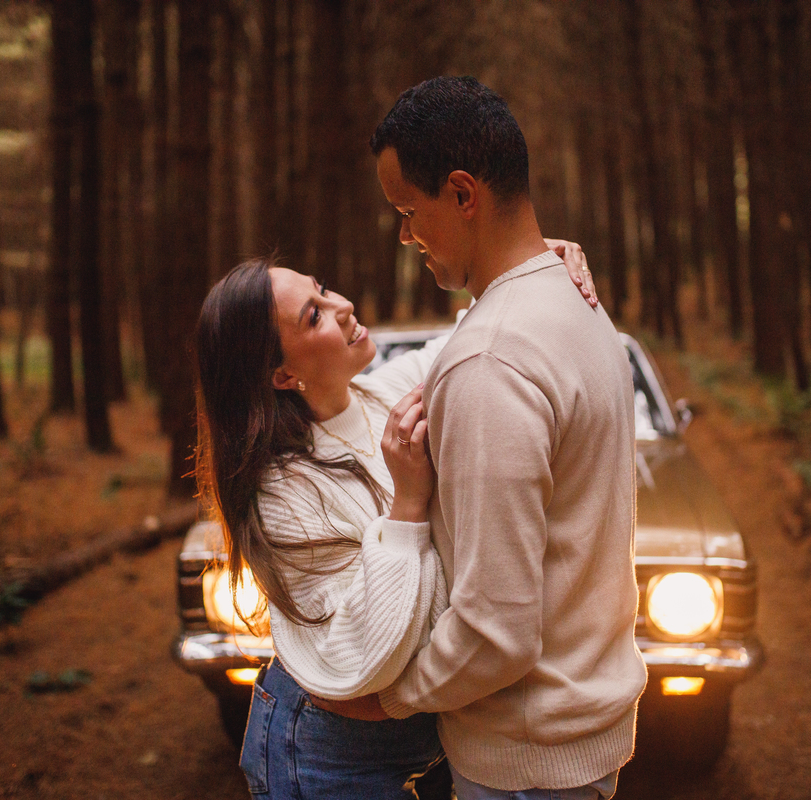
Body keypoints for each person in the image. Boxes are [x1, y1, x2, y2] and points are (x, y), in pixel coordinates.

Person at [193, 244, 594, 798]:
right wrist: (406, 505)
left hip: (423, 743)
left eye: (323, 288)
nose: (342, 306)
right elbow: (365, 650)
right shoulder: (280, 493)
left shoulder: (383, 396)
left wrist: (533, 263)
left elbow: (481, 337)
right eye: (314, 315)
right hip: (324, 750)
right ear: (283, 374)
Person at [357, 76, 647, 800]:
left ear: (462, 194)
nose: (404, 235)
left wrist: (386, 699)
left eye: (407, 210)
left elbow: (496, 632)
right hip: (578, 744)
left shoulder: (493, 357)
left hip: (525, 761)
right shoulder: (581, 314)